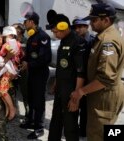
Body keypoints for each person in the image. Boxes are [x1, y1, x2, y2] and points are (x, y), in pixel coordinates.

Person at [69, 3, 124, 141]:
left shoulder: (108, 41)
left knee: (97, 135)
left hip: (104, 98)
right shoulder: (104, 37)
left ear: (106, 20)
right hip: (103, 95)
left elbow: (105, 77)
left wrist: (80, 92)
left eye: (94, 20)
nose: (91, 23)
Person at [46, 10, 87, 141]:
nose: (55, 34)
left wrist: (76, 97)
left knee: (70, 125)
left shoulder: (78, 42)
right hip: (60, 89)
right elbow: (61, 66)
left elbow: (81, 73)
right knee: (56, 120)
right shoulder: (63, 41)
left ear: (64, 26)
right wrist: (56, 83)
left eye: (56, 31)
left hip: (71, 90)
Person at [20, 12, 52, 139]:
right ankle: (30, 121)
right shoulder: (31, 37)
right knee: (31, 98)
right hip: (32, 73)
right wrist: (25, 60)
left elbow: (46, 58)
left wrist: (29, 64)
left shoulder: (43, 37)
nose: (24, 23)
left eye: (25, 21)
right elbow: (29, 55)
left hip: (40, 73)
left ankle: (39, 127)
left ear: (32, 22)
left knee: (39, 100)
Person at [0, 26, 24, 120]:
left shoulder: (8, 44)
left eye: (5, 36)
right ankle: (9, 108)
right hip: (12, 69)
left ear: (11, 35)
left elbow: (1, 53)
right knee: (0, 90)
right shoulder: (18, 44)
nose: (4, 38)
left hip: (9, 70)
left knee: (2, 90)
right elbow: (21, 55)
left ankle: (12, 109)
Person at [72, 17, 95, 137]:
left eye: (80, 27)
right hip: (75, 77)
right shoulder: (75, 40)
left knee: (85, 106)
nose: (78, 29)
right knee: (74, 102)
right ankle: (74, 127)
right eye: (76, 27)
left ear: (86, 27)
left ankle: (83, 131)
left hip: (87, 78)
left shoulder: (93, 40)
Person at [12, 23, 29, 122]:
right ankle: (12, 112)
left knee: (25, 92)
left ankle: (28, 113)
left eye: (14, 29)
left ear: (19, 31)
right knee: (11, 91)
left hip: (23, 71)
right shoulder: (11, 41)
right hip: (12, 71)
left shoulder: (27, 41)